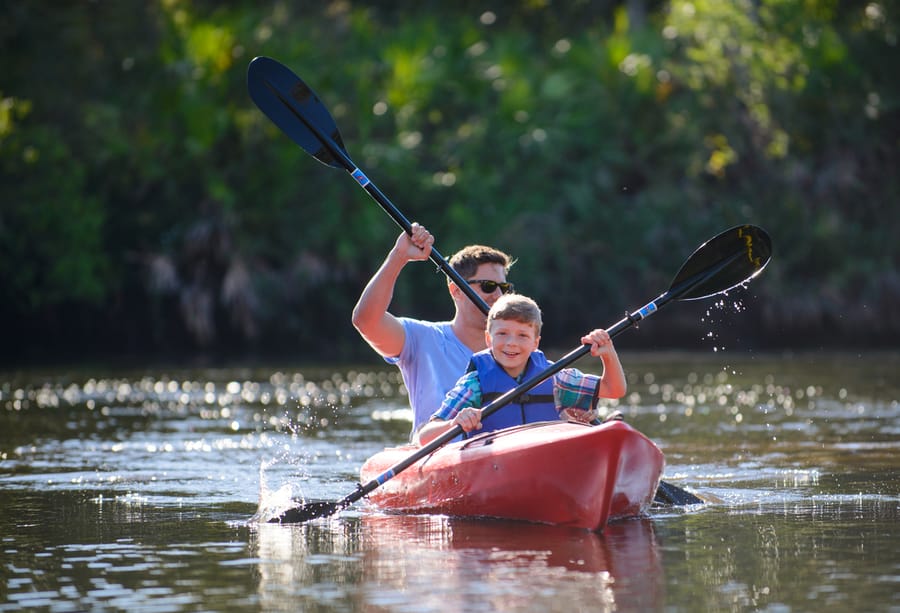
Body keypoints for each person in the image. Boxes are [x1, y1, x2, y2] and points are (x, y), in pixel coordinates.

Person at [351, 223, 515, 434]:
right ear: (456, 290)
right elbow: (365, 321)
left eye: (504, 288)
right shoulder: (421, 338)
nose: (499, 297)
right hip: (440, 455)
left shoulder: (518, 349)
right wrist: (399, 256)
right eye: (488, 287)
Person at [415, 293, 626, 446]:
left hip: (546, 458)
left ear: (536, 342)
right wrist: (455, 422)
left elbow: (614, 389)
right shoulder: (475, 384)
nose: (511, 343)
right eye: (502, 334)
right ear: (489, 339)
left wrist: (608, 353)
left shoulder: (555, 380)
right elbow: (424, 437)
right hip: (494, 465)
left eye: (522, 335)